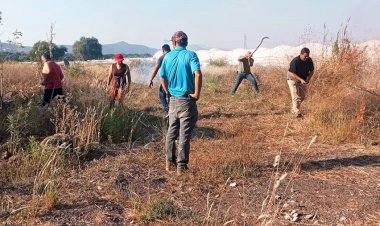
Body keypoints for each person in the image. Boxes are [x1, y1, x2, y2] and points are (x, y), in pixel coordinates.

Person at [160, 31, 202, 176]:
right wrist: (197, 94)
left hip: (173, 100)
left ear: (174, 43)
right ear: (186, 42)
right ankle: (181, 167)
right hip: (187, 100)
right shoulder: (191, 55)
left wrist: (168, 92)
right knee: (184, 134)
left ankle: (168, 163)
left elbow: (162, 77)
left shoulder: (167, 57)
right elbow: (197, 73)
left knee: (171, 132)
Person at [287, 47, 314, 118]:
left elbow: (312, 71)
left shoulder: (309, 60)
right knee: (296, 95)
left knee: (302, 96)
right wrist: (300, 79)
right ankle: (296, 112)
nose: (306, 58)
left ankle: (293, 109)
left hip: (303, 80)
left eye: (308, 56)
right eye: (305, 56)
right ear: (300, 54)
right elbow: (291, 73)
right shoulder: (295, 61)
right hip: (292, 79)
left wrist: (308, 78)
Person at [148, 44, 171, 113]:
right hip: (176, 79)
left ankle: (167, 109)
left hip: (166, 80)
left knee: (162, 95)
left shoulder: (162, 58)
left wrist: (151, 79)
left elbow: (156, 69)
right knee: (172, 95)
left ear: (163, 50)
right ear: (169, 49)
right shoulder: (174, 56)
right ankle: (172, 109)